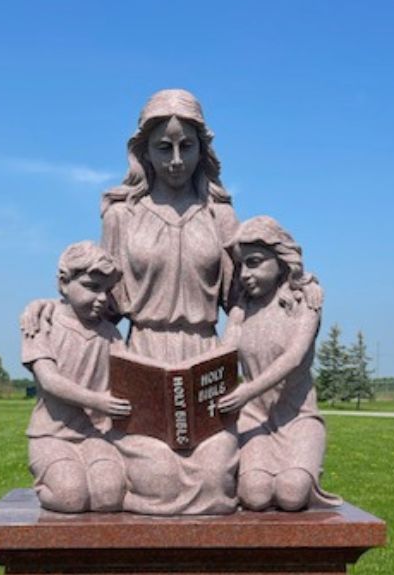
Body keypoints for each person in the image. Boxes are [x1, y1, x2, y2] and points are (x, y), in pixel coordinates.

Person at [99, 89, 240, 513]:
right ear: (144, 151)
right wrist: (48, 315)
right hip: (143, 361)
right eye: (164, 148)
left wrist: (294, 297)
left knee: (215, 483)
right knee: (157, 480)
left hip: (206, 363)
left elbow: (241, 301)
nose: (176, 160)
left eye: (187, 147)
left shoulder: (221, 216)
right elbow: (99, 303)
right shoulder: (121, 216)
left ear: (202, 150)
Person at [216, 217, 343, 511]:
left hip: (297, 417)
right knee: (256, 494)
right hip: (254, 420)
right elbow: (223, 355)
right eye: (241, 266)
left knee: (291, 493)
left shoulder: (304, 303)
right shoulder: (242, 310)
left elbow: (294, 357)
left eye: (255, 262)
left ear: (281, 260)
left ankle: (304, 467)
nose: (246, 274)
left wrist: (245, 391)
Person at [20, 242, 130, 512]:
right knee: (71, 497)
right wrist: (99, 401)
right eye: (92, 287)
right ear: (63, 283)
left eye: (107, 290)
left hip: (96, 435)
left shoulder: (110, 334)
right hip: (52, 435)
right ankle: (47, 483)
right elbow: (49, 380)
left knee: (109, 496)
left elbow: (130, 375)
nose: (103, 298)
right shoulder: (42, 324)